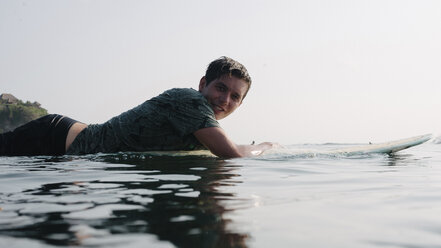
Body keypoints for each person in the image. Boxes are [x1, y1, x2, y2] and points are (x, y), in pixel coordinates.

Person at [0, 56, 277, 158]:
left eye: (235, 97)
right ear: (203, 83)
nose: (225, 100)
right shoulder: (191, 102)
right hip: (56, 138)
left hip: (65, 150)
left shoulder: (202, 125)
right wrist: (266, 146)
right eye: (221, 88)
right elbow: (231, 154)